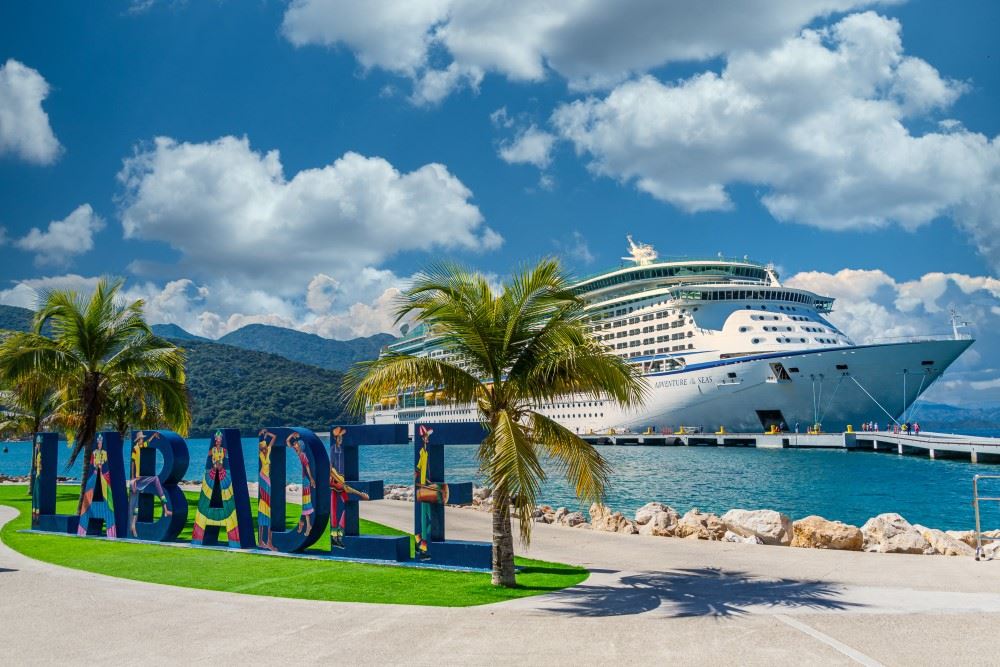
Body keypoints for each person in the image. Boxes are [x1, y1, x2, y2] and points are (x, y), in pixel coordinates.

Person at [192, 431, 241, 547]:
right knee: (209, 494)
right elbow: (212, 459)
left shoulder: (224, 450)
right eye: (217, 439)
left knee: (226, 493)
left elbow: (230, 457)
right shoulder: (213, 450)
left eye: (219, 439)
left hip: (222, 474)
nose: (218, 441)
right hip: (214, 473)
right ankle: (200, 537)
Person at [127, 431, 172, 537]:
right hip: (136, 480)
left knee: (135, 506)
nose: (142, 440)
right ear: (138, 440)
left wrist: (153, 436)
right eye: (141, 439)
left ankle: (133, 526)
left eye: (142, 438)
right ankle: (132, 527)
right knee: (134, 505)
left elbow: (147, 443)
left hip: (138, 480)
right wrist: (133, 478)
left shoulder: (140, 447)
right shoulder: (135, 449)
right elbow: (132, 463)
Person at [329, 427, 368, 549]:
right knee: (334, 510)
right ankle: (335, 537)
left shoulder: (344, 450)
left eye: (342, 436)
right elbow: (330, 468)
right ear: (336, 438)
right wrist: (338, 478)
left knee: (348, 506)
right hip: (335, 483)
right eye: (340, 436)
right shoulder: (333, 450)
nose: (342, 439)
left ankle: (339, 533)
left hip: (343, 482)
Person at [77, 434, 117, 538]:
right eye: (98, 442)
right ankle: (82, 528)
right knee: (89, 489)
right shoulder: (94, 453)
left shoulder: (104, 453)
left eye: (101, 442)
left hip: (103, 477)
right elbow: (92, 463)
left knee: (107, 496)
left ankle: (111, 531)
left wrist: (101, 465)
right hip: (95, 475)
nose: (99, 444)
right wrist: (96, 465)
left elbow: (105, 462)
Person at [289, 432, 316, 535]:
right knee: (305, 504)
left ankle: (308, 525)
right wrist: (292, 435)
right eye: (295, 444)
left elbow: (307, 467)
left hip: (305, 481)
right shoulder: (298, 454)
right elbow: (288, 442)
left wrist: (311, 479)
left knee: (306, 504)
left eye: (296, 444)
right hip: (303, 480)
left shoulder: (303, 455)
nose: (294, 446)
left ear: (300, 446)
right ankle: (303, 523)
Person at [257, 429, 276, 550]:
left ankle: (267, 541)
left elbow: (274, 438)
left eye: (264, 448)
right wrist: (262, 436)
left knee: (267, 507)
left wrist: (267, 433)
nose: (264, 449)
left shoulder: (269, 451)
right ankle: (262, 541)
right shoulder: (260, 455)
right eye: (262, 448)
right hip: (263, 478)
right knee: (264, 506)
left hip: (267, 479)